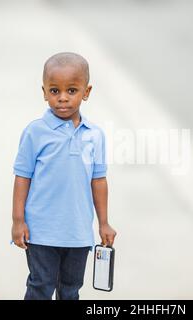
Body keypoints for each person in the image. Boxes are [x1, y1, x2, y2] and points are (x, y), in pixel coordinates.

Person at [11, 52, 117, 300]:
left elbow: (98, 181)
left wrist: (103, 223)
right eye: (55, 91)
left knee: (70, 290)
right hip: (40, 231)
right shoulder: (35, 132)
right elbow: (22, 177)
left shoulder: (95, 135)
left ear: (86, 92)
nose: (62, 99)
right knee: (41, 286)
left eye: (71, 90)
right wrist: (18, 220)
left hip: (78, 233)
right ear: (44, 92)